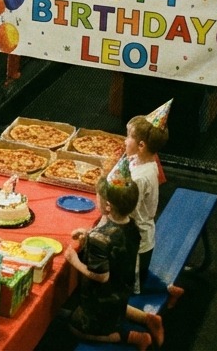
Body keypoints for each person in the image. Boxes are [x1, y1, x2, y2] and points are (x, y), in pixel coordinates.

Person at [64, 160, 152, 351]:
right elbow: (115, 246)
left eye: (98, 197)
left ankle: (133, 337)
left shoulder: (99, 238)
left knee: (72, 325)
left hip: (102, 300)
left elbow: (101, 276)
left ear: (108, 206)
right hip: (122, 291)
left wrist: (74, 260)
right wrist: (88, 236)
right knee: (116, 308)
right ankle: (148, 319)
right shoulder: (131, 225)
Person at [118, 106, 169, 343]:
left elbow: (124, 208)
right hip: (141, 236)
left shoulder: (139, 178)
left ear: (141, 145)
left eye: (128, 136)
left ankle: (146, 321)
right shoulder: (146, 162)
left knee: (126, 290)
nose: (124, 140)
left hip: (137, 243)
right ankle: (167, 288)